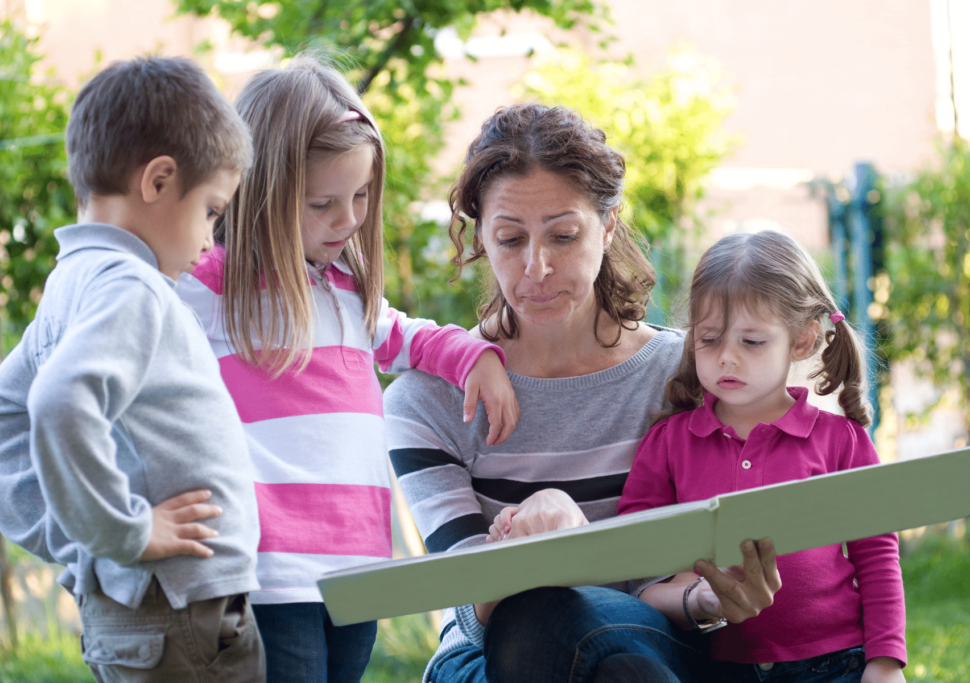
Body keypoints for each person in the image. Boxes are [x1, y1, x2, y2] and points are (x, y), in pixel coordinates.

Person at [384, 103, 780, 683]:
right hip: (492, 659)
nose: (536, 267)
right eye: (510, 239)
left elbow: (715, 558)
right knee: (538, 614)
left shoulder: (689, 374)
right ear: (482, 240)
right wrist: (553, 548)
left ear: (609, 224)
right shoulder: (427, 400)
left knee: (620, 661)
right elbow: (476, 612)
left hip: (662, 641)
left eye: (563, 235)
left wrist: (713, 599)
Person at [174, 55, 519, 683]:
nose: (350, 218)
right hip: (269, 572)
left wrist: (473, 356)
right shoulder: (206, 291)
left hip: (358, 567)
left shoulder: (345, 295)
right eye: (322, 203)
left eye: (361, 195)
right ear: (259, 191)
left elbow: (407, 337)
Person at [0, 57, 266, 681]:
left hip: (145, 609)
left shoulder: (72, 284)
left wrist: (80, 534)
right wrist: (123, 533)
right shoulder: (132, 286)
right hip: (179, 611)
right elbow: (57, 401)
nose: (211, 240)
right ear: (158, 181)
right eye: (211, 210)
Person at [617, 230, 907, 682]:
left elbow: (877, 556)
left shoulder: (841, 441)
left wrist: (884, 663)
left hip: (835, 664)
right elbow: (638, 561)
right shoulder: (668, 442)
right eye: (710, 339)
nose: (727, 359)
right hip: (712, 666)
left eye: (752, 342)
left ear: (802, 341)